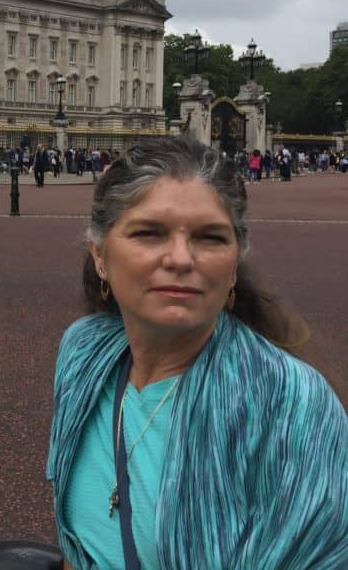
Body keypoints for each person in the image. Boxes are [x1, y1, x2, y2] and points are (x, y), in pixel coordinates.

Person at [46, 137, 348, 570]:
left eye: (209, 238)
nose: (181, 258)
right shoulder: (82, 350)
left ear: (234, 265)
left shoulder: (292, 403)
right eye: (149, 233)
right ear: (99, 255)